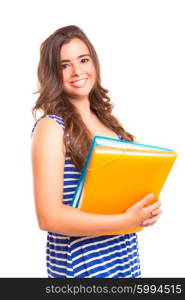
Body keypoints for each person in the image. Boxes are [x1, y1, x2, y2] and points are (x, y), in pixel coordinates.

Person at [31, 25, 161, 278]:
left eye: (83, 60)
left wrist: (144, 209)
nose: (77, 71)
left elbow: (117, 196)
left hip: (122, 258)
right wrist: (126, 221)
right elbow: (49, 217)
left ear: (94, 63)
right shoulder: (52, 127)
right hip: (84, 267)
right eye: (64, 65)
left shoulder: (110, 124)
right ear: (52, 73)